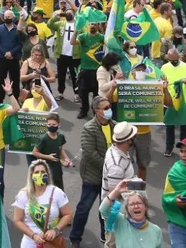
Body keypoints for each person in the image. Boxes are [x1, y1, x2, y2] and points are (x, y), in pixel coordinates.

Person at [69, 96, 114, 247]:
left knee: (106, 208)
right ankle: (75, 238)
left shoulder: (115, 126)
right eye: (105, 108)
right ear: (97, 111)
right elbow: (89, 153)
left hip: (109, 178)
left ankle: (104, 235)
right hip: (93, 176)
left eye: (109, 106)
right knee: (84, 208)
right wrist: (110, 168)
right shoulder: (89, 128)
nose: (109, 110)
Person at [12, 160, 72, 248]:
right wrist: (33, 235)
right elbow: (18, 220)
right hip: (29, 243)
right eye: (36, 172)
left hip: (51, 243)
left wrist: (55, 230)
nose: (40, 174)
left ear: (47, 174)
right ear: (31, 176)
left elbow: (68, 214)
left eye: (43, 172)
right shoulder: (23, 195)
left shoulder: (56, 192)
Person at [99, 180, 163, 248]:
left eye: (139, 203)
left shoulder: (156, 231)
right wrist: (116, 191)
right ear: (127, 209)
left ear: (145, 207)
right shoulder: (120, 222)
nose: (136, 206)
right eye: (132, 204)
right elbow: (103, 209)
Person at [31, 112, 72, 188]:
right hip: (46, 167)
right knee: (46, 187)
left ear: (59, 125)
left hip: (57, 167)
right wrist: (48, 157)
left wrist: (66, 159)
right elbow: (35, 152)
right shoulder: (44, 139)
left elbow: (60, 149)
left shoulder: (60, 136)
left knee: (58, 185)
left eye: (54, 125)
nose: (51, 126)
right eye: (49, 125)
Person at [100, 122, 137, 204]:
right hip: (119, 210)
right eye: (133, 137)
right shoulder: (116, 166)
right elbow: (114, 195)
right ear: (128, 141)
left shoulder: (115, 149)